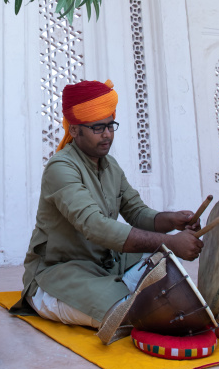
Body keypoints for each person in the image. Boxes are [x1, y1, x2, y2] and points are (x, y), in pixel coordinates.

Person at [11, 79, 203, 343]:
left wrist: (173, 221)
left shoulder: (109, 165)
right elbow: (96, 226)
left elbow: (137, 213)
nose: (107, 134)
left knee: (167, 266)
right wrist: (170, 242)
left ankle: (124, 289)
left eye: (110, 125)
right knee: (124, 311)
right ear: (75, 130)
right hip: (61, 271)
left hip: (106, 264)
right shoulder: (60, 168)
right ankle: (105, 295)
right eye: (97, 127)